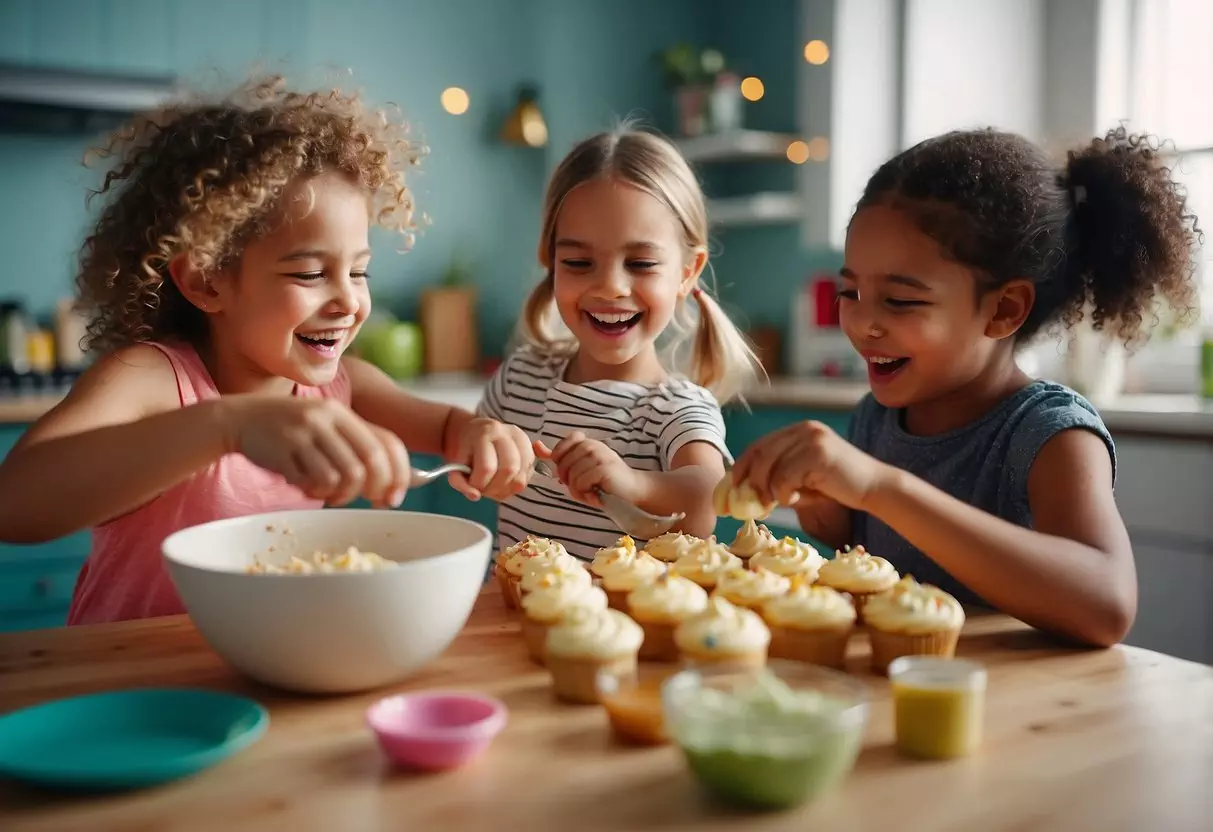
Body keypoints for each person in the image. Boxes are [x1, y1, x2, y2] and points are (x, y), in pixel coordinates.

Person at [0, 76, 533, 624]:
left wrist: (480, 435)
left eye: (359, 271)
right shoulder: (151, 378)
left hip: (262, 667)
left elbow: (447, 431)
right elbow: (14, 504)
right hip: (130, 682)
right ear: (207, 282)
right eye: (309, 273)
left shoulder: (342, 385)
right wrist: (229, 424)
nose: (349, 300)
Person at [733, 126, 1200, 646]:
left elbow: (1107, 606)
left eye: (901, 301)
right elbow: (860, 542)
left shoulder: (1050, 436)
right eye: (850, 291)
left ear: (1003, 310)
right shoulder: (877, 417)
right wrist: (822, 503)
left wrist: (881, 487)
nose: (863, 324)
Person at [478, 126, 762, 560]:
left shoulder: (677, 408)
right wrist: (478, 457)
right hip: (514, 625)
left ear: (688, 270)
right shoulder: (519, 378)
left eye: (641, 263)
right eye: (578, 262)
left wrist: (631, 482)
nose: (611, 287)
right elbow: (471, 449)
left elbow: (705, 500)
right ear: (550, 261)